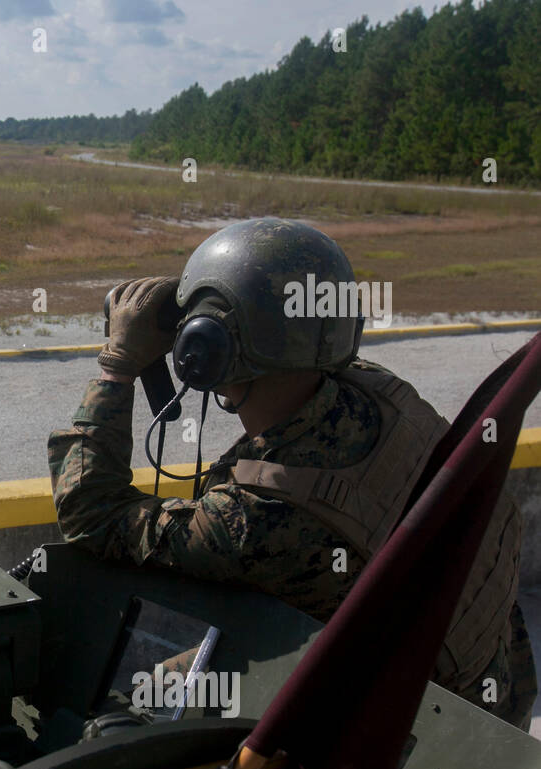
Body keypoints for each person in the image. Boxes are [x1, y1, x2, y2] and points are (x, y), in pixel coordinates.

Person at [47, 217, 536, 730]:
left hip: (406, 745)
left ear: (208, 351)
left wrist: (118, 363)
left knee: (123, 713)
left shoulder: (256, 520)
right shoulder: (377, 390)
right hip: (495, 695)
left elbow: (89, 513)